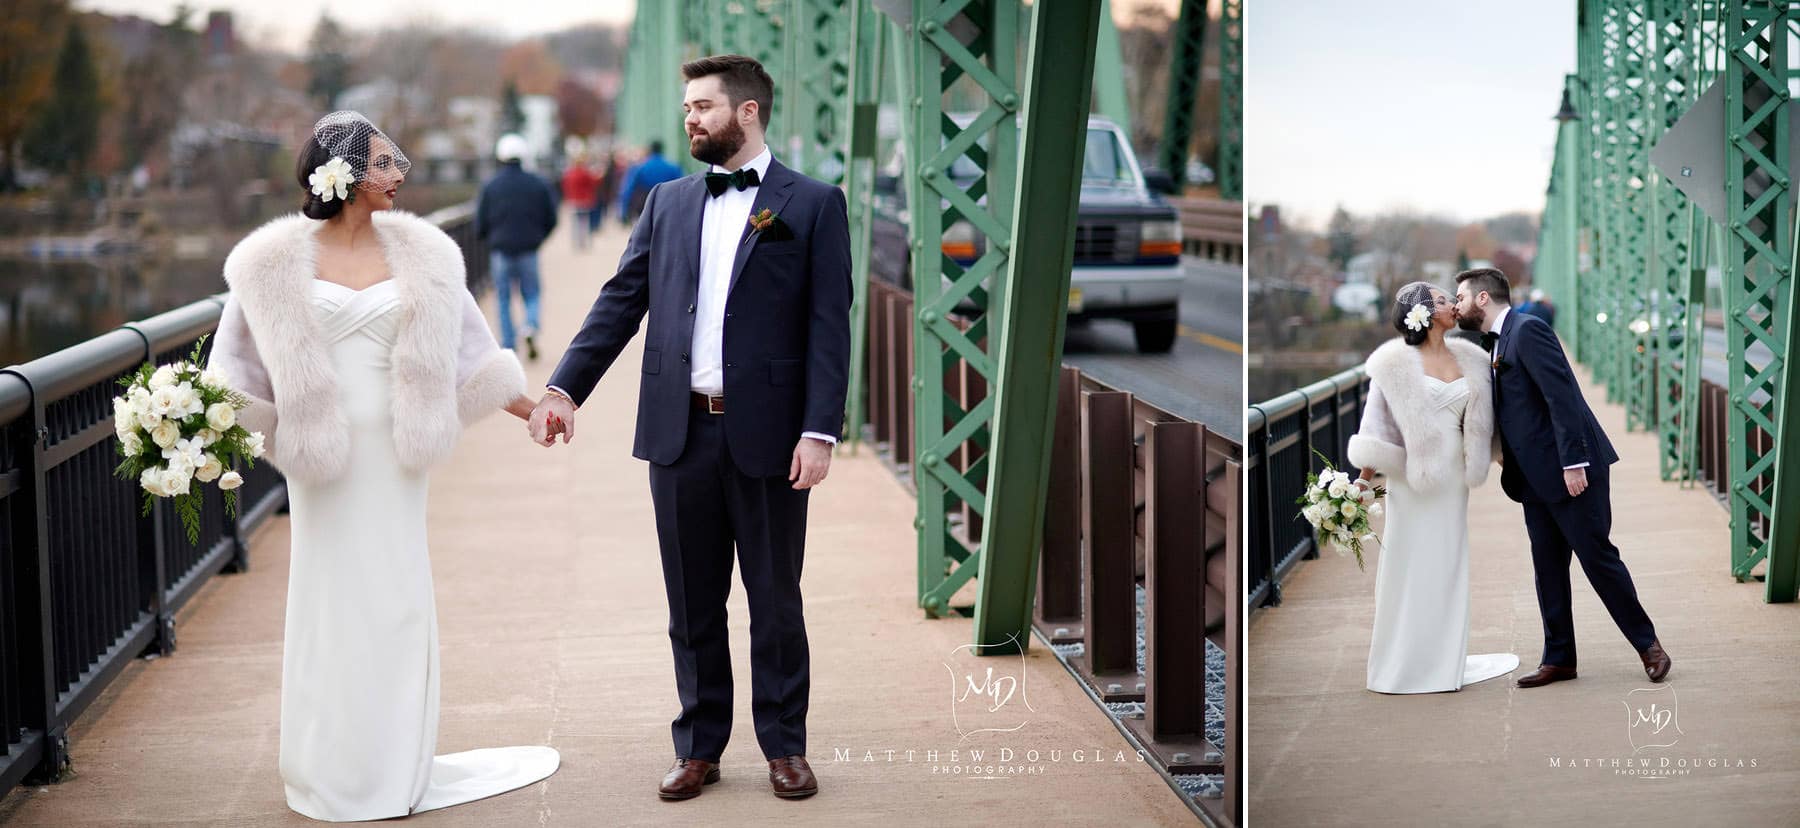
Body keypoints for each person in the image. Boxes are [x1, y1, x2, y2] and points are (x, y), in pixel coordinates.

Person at [208, 111, 558, 821]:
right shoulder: (269, 262)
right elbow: (234, 368)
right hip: (319, 465)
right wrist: (191, 428)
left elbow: (470, 352)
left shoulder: (426, 254)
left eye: (396, 162)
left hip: (396, 461)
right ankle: (327, 767)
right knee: (328, 604)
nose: (397, 175)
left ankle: (396, 765)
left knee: (397, 602)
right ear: (341, 174)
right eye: (382, 164)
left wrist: (534, 409)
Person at [528, 54, 850, 802]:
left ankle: (785, 746)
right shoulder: (667, 202)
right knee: (692, 604)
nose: (690, 118)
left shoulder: (812, 203)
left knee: (775, 602)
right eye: (686, 108)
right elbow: (621, 299)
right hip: (679, 435)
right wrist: (564, 388)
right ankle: (700, 746)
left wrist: (819, 431)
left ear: (747, 112)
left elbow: (830, 326)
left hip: (772, 437)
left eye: (703, 106)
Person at [1453, 267, 1670, 688]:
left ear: (1482, 298)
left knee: (1598, 559)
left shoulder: (1527, 330)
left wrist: (1574, 463)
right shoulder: (1497, 341)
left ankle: (1650, 647)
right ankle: (1559, 659)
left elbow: (1563, 397)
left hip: (1571, 471)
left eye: (1460, 297)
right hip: (1533, 477)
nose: (1457, 304)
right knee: (1547, 569)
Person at [1347, 281, 1520, 694]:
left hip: (1453, 484)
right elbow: (1378, 429)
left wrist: (1516, 468)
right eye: (1444, 300)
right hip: (1412, 483)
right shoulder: (1393, 364)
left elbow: (1486, 425)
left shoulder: (1473, 359)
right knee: (1406, 567)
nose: (1453, 304)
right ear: (1423, 314)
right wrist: (1362, 482)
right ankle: (1400, 665)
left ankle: (1444, 664)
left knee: (1448, 567)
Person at [475, 133, 558, 360]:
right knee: (532, 293)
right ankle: (530, 325)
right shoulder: (538, 183)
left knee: (503, 298)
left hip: (500, 250)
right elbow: (551, 217)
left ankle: (509, 345)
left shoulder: (491, 185)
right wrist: (539, 238)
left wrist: (488, 237)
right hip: (529, 249)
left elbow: (480, 222)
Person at [617, 139, 682, 224]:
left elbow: (628, 189)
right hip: (667, 205)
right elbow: (682, 188)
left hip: (644, 206)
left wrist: (623, 211)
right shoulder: (673, 167)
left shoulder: (640, 167)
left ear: (650, 150)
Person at [561, 153, 599, 250]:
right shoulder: (584, 172)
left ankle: (576, 242)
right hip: (584, 201)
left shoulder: (569, 173)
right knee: (583, 223)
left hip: (573, 200)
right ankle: (582, 242)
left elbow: (565, 187)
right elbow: (593, 182)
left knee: (575, 223)